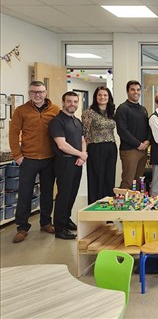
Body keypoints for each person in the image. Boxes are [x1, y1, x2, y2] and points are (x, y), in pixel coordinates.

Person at [9, 81, 60, 243]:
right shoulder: (21, 111)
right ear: (29, 93)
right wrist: (17, 155)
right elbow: (13, 133)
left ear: (46, 93)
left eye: (40, 92)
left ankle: (45, 222)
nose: (37, 95)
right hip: (28, 159)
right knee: (24, 193)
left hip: (49, 159)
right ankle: (22, 227)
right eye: (33, 92)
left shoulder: (55, 110)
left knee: (47, 193)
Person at [49, 91, 87, 240]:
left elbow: (83, 140)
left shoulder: (77, 121)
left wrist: (82, 156)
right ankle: (59, 228)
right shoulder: (57, 121)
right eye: (69, 101)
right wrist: (80, 154)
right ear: (63, 102)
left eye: (75, 102)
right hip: (64, 161)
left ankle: (66, 219)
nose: (72, 104)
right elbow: (62, 145)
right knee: (64, 194)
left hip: (77, 162)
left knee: (72, 193)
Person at [82, 86, 117, 204]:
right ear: (95, 97)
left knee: (109, 179)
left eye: (105, 95)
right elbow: (84, 133)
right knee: (96, 178)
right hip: (96, 148)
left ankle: (108, 207)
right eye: (100, 95)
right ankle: (95, 207)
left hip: (111, 147)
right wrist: (83, 152)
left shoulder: (111, 112)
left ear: (109, 97)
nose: (102, 97)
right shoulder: (89, 113)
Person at [115, 80, 149, 189]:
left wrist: (147, 141)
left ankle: (135, 205)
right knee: (128, 181)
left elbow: (148, 128)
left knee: (138, 182)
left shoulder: (143, 109)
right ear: (127, 91)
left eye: (138, 90)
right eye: (133, 89)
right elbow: (122, 131)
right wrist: (138, 144)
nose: (136, 92)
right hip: (129, 150)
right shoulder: (123, 109)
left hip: (143, 150)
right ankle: (121, 205)